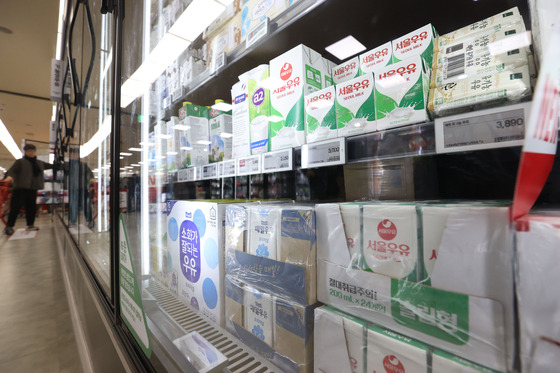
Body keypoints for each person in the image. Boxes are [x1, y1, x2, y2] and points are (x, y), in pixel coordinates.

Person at [4, 144, 53, 235]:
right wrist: (10, 177)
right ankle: (9, 226)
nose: (30, 152)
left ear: (35, 151)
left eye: (32, 151)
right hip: (20, 188)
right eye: (28, 151)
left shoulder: (39, 163)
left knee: (31, 207)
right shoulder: (20, 162)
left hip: (32, 188)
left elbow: (52, 166)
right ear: (25, 152)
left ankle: (30, 225)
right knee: (15, 207)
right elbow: (12, 171)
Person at [67, 147, 95, 229]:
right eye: (72, 153)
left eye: (75, 154)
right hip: (72, 189)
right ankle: (72, 220)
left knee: (86, 205)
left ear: (78, 155)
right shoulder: (67, 165)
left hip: (82, 188)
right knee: (73, 205)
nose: (73, 155)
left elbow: (89, 173)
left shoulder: (83, 165)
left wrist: (91, 179)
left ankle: (90, 220)